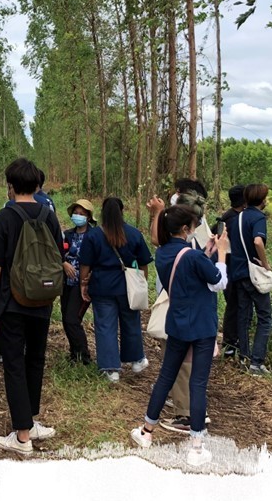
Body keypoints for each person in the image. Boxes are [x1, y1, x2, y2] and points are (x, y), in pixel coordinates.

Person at [130, 204, 229, 466]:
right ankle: (196, 447)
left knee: (166, 377)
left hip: (177, 325)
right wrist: (221, 254)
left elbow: (189, 272)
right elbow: (218, 282)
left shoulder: (163, 253)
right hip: (203, 327)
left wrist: (206, 251)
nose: (195, 230)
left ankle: (146, 432)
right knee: (198, 383)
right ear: (186, 229)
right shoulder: (192, 257)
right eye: (194, 226)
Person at [0, 157, 63, 455]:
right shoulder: (49, 216)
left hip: (11, 301)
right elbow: (57, 256)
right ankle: (32, 419)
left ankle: (22, 436)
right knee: (36, 360)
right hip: (42, 299)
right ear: (37, 184)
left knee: (14, 364)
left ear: (11, 186)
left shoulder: (4, 218)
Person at [147, 178, 215, 433]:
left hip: (182, 310)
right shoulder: (201, 230)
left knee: (182, 365)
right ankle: (188, 411)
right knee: (189, 369)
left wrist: (156, 213)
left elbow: (158, 241)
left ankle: (187, 416)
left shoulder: (191, 234)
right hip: (197, 311)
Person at [79, 196, 153, 382]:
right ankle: (136, 359)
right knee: (131, 322)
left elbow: (86, 264)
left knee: (105, 326)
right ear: (122, 211)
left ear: (102, 213)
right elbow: (144, 263)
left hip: (102, 286)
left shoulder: (93, 235)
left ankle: (111, 370)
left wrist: (83, 284)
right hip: (127, 286)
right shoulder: (134, 233)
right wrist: (142, 282)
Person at [229, 183, 272, 375]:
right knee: (265, 317)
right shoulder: (258, 218)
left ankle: (244, 358)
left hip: (238, 273)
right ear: (262, 200)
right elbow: (257, 241)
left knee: (244, 316)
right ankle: (256, 363)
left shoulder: (238, 218)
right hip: (253, 275)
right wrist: (265, 264)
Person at [61, 199, 96, 364]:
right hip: (66, 282)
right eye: (76, 213)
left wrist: (90, 275)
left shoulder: (95, 235)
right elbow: (58, 253)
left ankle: (84, 356)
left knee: (72, 319)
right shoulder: (67, 234)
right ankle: (74, 353)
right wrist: (64, 263)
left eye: (82, 214)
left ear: (89, 217)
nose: (78, 216)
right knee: (66, 319)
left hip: (83, 283)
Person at [217, 185, 245, 357]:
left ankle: (231, 341)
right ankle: (230, 343)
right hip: (232, 268)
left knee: (233, 305)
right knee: (234, 305)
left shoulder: (226, 217)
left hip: (227, 266)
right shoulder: (234, 220)